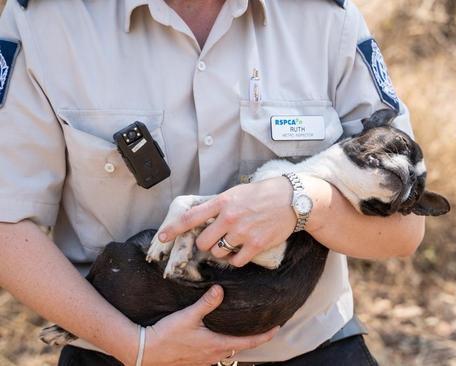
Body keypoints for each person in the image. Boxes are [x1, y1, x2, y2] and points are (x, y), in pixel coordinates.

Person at [0, 0, 425, 365]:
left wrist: (303, 200)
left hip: (307, 349)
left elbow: (405, 231)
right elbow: (7, 223)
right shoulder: (48, 21)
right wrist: (133, 345)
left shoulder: (323, 18)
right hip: (119, 351)